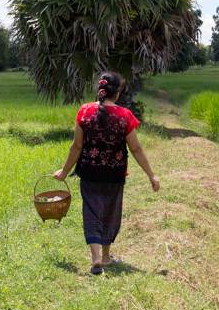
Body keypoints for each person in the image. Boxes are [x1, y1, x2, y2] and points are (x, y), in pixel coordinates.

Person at [52, 71, 160, 275]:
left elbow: (76, 146)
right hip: (114, 175)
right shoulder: (124, 116)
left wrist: (65, 171)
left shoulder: (84, 112)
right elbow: (136, 149)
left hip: (89, 173)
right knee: (110, 212)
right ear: (117, 93)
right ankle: (106, 256)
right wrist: (151, 175)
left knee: (91, 211)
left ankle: (95, 258)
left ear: (100, 90)